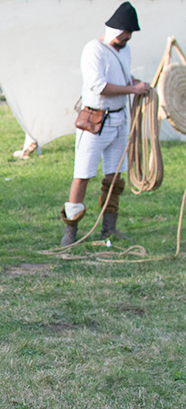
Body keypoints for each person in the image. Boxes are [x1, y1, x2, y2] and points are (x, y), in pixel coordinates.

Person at [59, 1, 148, 246]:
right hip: (95, 121)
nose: (128, 37)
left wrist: (137, 84)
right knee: (83, 174)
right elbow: (99, 86)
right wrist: (132, 88)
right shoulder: (93, 50)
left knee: (114, 176)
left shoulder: (124, 51)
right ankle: (71, 229)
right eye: (126, 32)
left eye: (130, 33)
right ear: (115, 30)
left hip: (119, 119)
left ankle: (109, 228)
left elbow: (122, 76)